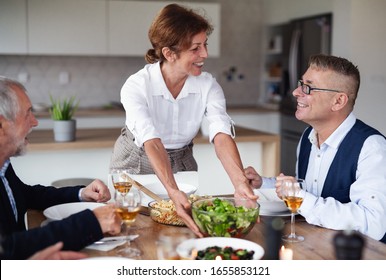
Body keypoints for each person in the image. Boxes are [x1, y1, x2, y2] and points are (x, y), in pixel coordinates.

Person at [109, 3, 257, 236]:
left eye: (205, 45)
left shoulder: (208, 85)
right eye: (196, 48)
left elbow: (220, 134)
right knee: (135, 231)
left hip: (182, 160)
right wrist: (171, 189)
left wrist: (239, 183)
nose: (205, 54)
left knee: (180, 227)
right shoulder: (137, 85)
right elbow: (151, 140)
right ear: (169, 53)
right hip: (136, 161)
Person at [245, 54, 386, 243]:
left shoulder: (372, 148)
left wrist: (300, 198)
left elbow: (373, 224)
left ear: (338, 101)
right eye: (300, 83)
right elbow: (309, 189)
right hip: (317, 246)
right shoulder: (307, 137)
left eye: (308, 87)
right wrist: (264, 183)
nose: (295, 92)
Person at [0, 77, 122, 259]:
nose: (35, 122)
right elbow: (7, 250)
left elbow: (27, 195)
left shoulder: (4, 165)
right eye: (27, 114)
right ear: (2, 125)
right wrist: (91, 222)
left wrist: (81, 193)